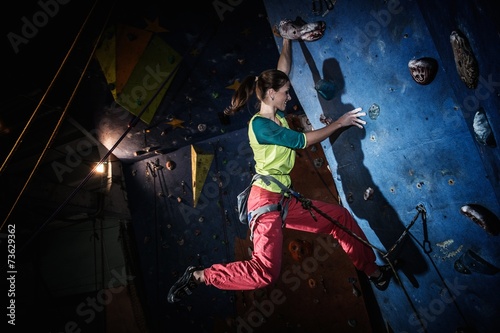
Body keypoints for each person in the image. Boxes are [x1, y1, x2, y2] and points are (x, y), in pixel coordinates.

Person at [167, 36, 392, 304]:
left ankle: (373, 271)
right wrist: (340, 122)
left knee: (339, 219)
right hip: (264, 201)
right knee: (265, 273)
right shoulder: (261, 125)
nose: (289, 95)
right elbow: (303, 141)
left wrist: (287, 39)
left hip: (282, 199)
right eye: (286, 92)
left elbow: (281, 70)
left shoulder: (277, 113)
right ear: (272, 94)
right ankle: (201, 276)